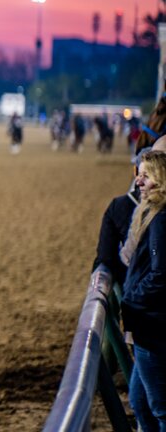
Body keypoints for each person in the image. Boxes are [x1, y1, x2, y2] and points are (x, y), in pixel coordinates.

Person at [120, 148, 166, 432]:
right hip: (147, 323)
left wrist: (132, 300)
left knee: (160, 408)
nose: (138, 181)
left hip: (152, 324)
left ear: (160, 180)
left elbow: (161, 273)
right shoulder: (151, 213)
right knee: (138, 401)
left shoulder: (160, 218)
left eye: (145, 176)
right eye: (138, 175)